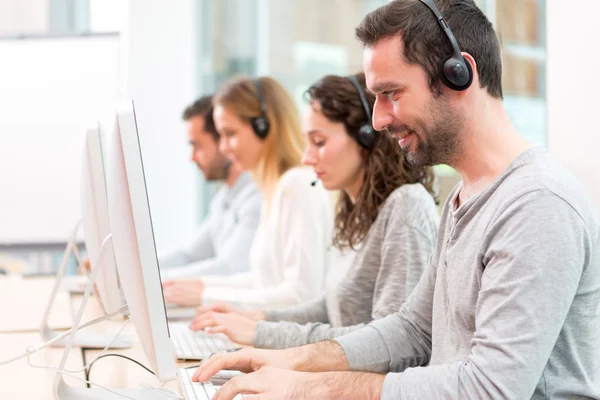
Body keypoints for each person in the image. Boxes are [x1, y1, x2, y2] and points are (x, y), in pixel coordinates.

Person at [190, 1, 600, 399]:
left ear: (459, 75)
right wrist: (285, 359)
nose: (378, 119)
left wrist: (311, 387)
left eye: (392, 93)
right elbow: (413, 329)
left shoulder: (537, 204)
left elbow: (489, 390)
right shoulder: (465, 195)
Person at [187, 73, 440, 349]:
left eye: (319, 142)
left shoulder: (405, 207)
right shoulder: (357, 212)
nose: (307, 158)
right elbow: (331, 308)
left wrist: (262, 334)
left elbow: (391, 343)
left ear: (367, 137)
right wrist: (260, 319)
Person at [162, 77, 333, 310]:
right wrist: (201, 286)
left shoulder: (298, 185)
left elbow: (302, 294)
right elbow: (263, 281)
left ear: (264, 126)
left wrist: (206, 296)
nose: (224, 147)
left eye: (230, 134)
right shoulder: (273, 188)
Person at [158, 96, 262, 280]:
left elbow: (228, 268)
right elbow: (188, 255)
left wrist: (157, 281)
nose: (192, 158)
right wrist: (129, 272)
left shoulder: (256, 197)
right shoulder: (223, 199)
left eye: (197, 146)